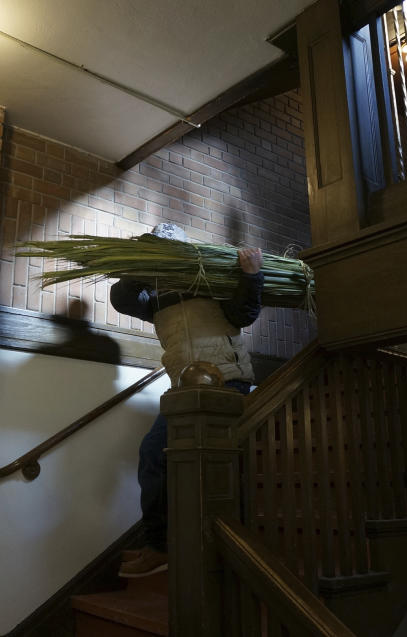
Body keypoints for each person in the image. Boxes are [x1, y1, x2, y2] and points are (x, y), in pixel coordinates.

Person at [110, 223, 263, 577]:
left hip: (229, 381)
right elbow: (121, 298)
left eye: (169, 251)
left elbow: (244, 314)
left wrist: (252, 277)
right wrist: (144, 262)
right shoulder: (152, 295)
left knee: (204, 462)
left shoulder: (210, 277)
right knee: (155, 454)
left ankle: (195, 543)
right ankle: (161, 545)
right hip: (185, 385)